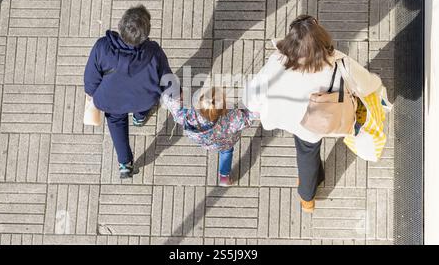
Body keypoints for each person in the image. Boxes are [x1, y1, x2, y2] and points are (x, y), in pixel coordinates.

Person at [243, 15, 383, 213]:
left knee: (306, 151)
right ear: (322, 39)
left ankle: (308, 199)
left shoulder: (276, 61)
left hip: (289, 118)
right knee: (308, 151)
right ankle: (309, 191)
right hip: (324, 119)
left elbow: (250, 98)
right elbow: (368, 84)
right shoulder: (340, 64)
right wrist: (378, 83)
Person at [84, 5, 172, 179]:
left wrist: (94, 95)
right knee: (144, 101)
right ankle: (139, 118)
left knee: (116, 124)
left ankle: (125, 163)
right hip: (143, 99)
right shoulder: (153, 52)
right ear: (145, 34)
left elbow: (91, 81)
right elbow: (165, 78)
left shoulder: (102, 47)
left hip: (112, 101)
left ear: (120, 24)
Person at [161, 87, 259, 187]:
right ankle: (224, 177)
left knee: (225, 152)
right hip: (225, 143)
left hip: (206, 142)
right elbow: (247, 120)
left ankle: (225, 178)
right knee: (226, 152)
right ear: (223, 109)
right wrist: (259, 107)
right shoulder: (232, 117)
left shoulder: (189, 115)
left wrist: (168, 97)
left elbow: (177, 112)